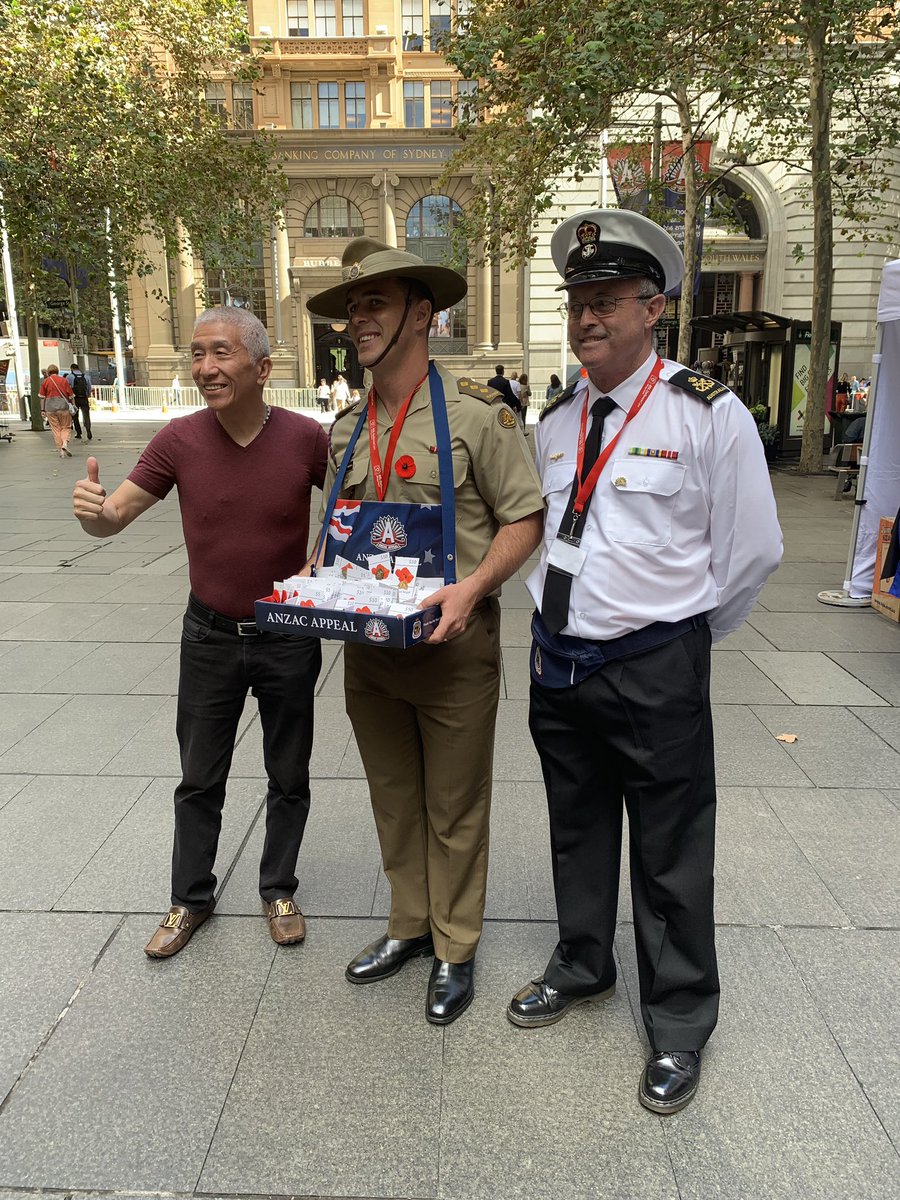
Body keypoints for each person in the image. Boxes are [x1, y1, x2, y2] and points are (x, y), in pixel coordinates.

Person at [507, 209, 782, 1114]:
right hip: (562, 663)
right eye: (577, 301)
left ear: (655, 308)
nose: (587, 317)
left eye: (608, 300)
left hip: (654, 665)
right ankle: (584, 962)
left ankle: (678, 1021)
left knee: (670, 853)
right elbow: (543, 535)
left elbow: (750, 553)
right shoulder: (555, 418)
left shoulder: (708, 412)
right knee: (576, 827)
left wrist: (680, 637)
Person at [307, 237, 544, 1024]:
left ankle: (454, 946)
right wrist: (315, 579)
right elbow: (339, 533)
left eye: (375, 303)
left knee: (455, 804)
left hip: (452, 651)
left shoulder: (482, 415)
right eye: (352, 308)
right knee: (393, 798)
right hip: (369, 654)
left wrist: (473, 588)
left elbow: (525, 518)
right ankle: (408, 925)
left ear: (422, 314)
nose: (357, 320)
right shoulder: (346, 427)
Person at [72, 307, 328, 958]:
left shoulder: (304, 437)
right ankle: (189, 899)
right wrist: (95, 517)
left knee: (288, 772)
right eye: (196, 354)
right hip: (209, 635)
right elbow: (118, 514)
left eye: (221, 354)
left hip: (288, 635)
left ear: (263, 367)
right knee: (198, 777)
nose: (205, 368)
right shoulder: (178, 440)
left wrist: (325, 553)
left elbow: (357, 509)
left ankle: (279, 889)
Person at [39, 365, 74, 457]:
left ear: (48, 372)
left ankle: (61, 451)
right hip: (63, 407)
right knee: (66, 427)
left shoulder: (45, 382)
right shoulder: (63, 380)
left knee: (56, 429)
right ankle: (65, 444)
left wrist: (42, 410)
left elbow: (42, 398)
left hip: (50, 408)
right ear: (57, 371)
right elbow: (71, 395)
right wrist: (73, 405)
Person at [66, 362, 93, 441]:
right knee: (86, 415)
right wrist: (87, 395)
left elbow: (68, 388)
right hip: (84, 398)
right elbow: (89, 387)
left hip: (75, 399)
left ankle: (78, 432)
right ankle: (88, 429)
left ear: (71, 369)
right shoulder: (86, 376)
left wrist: (69, 399)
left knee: (75, 416)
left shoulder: (69, 377)